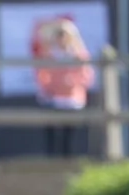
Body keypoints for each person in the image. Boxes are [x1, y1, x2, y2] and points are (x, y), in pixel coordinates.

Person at [33, 17, 93, 157]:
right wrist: (51, 85)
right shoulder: (49, 55)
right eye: (59, 35)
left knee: (69, 133)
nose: (62, 39)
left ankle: (69, 160)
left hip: (73, 99)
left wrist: (72, 82)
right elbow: (42, 74)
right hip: (53, 99)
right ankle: (52, 160)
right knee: (52, 132)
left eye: (64, 35)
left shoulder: (79, 55)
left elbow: (87, 75)